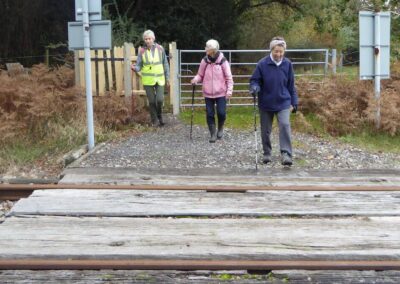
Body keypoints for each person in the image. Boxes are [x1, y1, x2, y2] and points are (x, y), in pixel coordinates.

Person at [249, 36, 298, 166]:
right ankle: (267, 153)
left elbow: (291, 85)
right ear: (271, 50)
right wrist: (255, 87)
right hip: (266, 102)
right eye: (276, 51)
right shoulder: (262, 64)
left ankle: (286, 154)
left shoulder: (287, 64)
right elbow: (255, 80)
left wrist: (294, 103)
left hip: (283, 102)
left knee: (285, 125)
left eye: (281, 52)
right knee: (265, 130)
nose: (279, 54)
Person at [190, 39, 234, 143]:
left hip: (221, 93)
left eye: (207, 48)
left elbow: (229, 78)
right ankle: (213, 134)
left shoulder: (223, 61)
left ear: (213, 50)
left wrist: (229, 91)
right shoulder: (204, 61)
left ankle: (220, 128)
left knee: (221, 113)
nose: (205, 49)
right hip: (208, 93)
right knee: (210, 114)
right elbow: (200, 74)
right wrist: (195, 80)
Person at [132, 30, 170, 127]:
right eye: (146, 39)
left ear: (153, 39)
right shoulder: (142, 51)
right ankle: (155, 120)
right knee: (152, 101)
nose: (147, 41)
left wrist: (168, 78)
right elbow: (139, 65)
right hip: (148, 80)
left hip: (160, 79)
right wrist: (135, 68)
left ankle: (159, 116)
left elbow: (165, 64)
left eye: (149, 38)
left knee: (160, 99)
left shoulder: (160, 49)